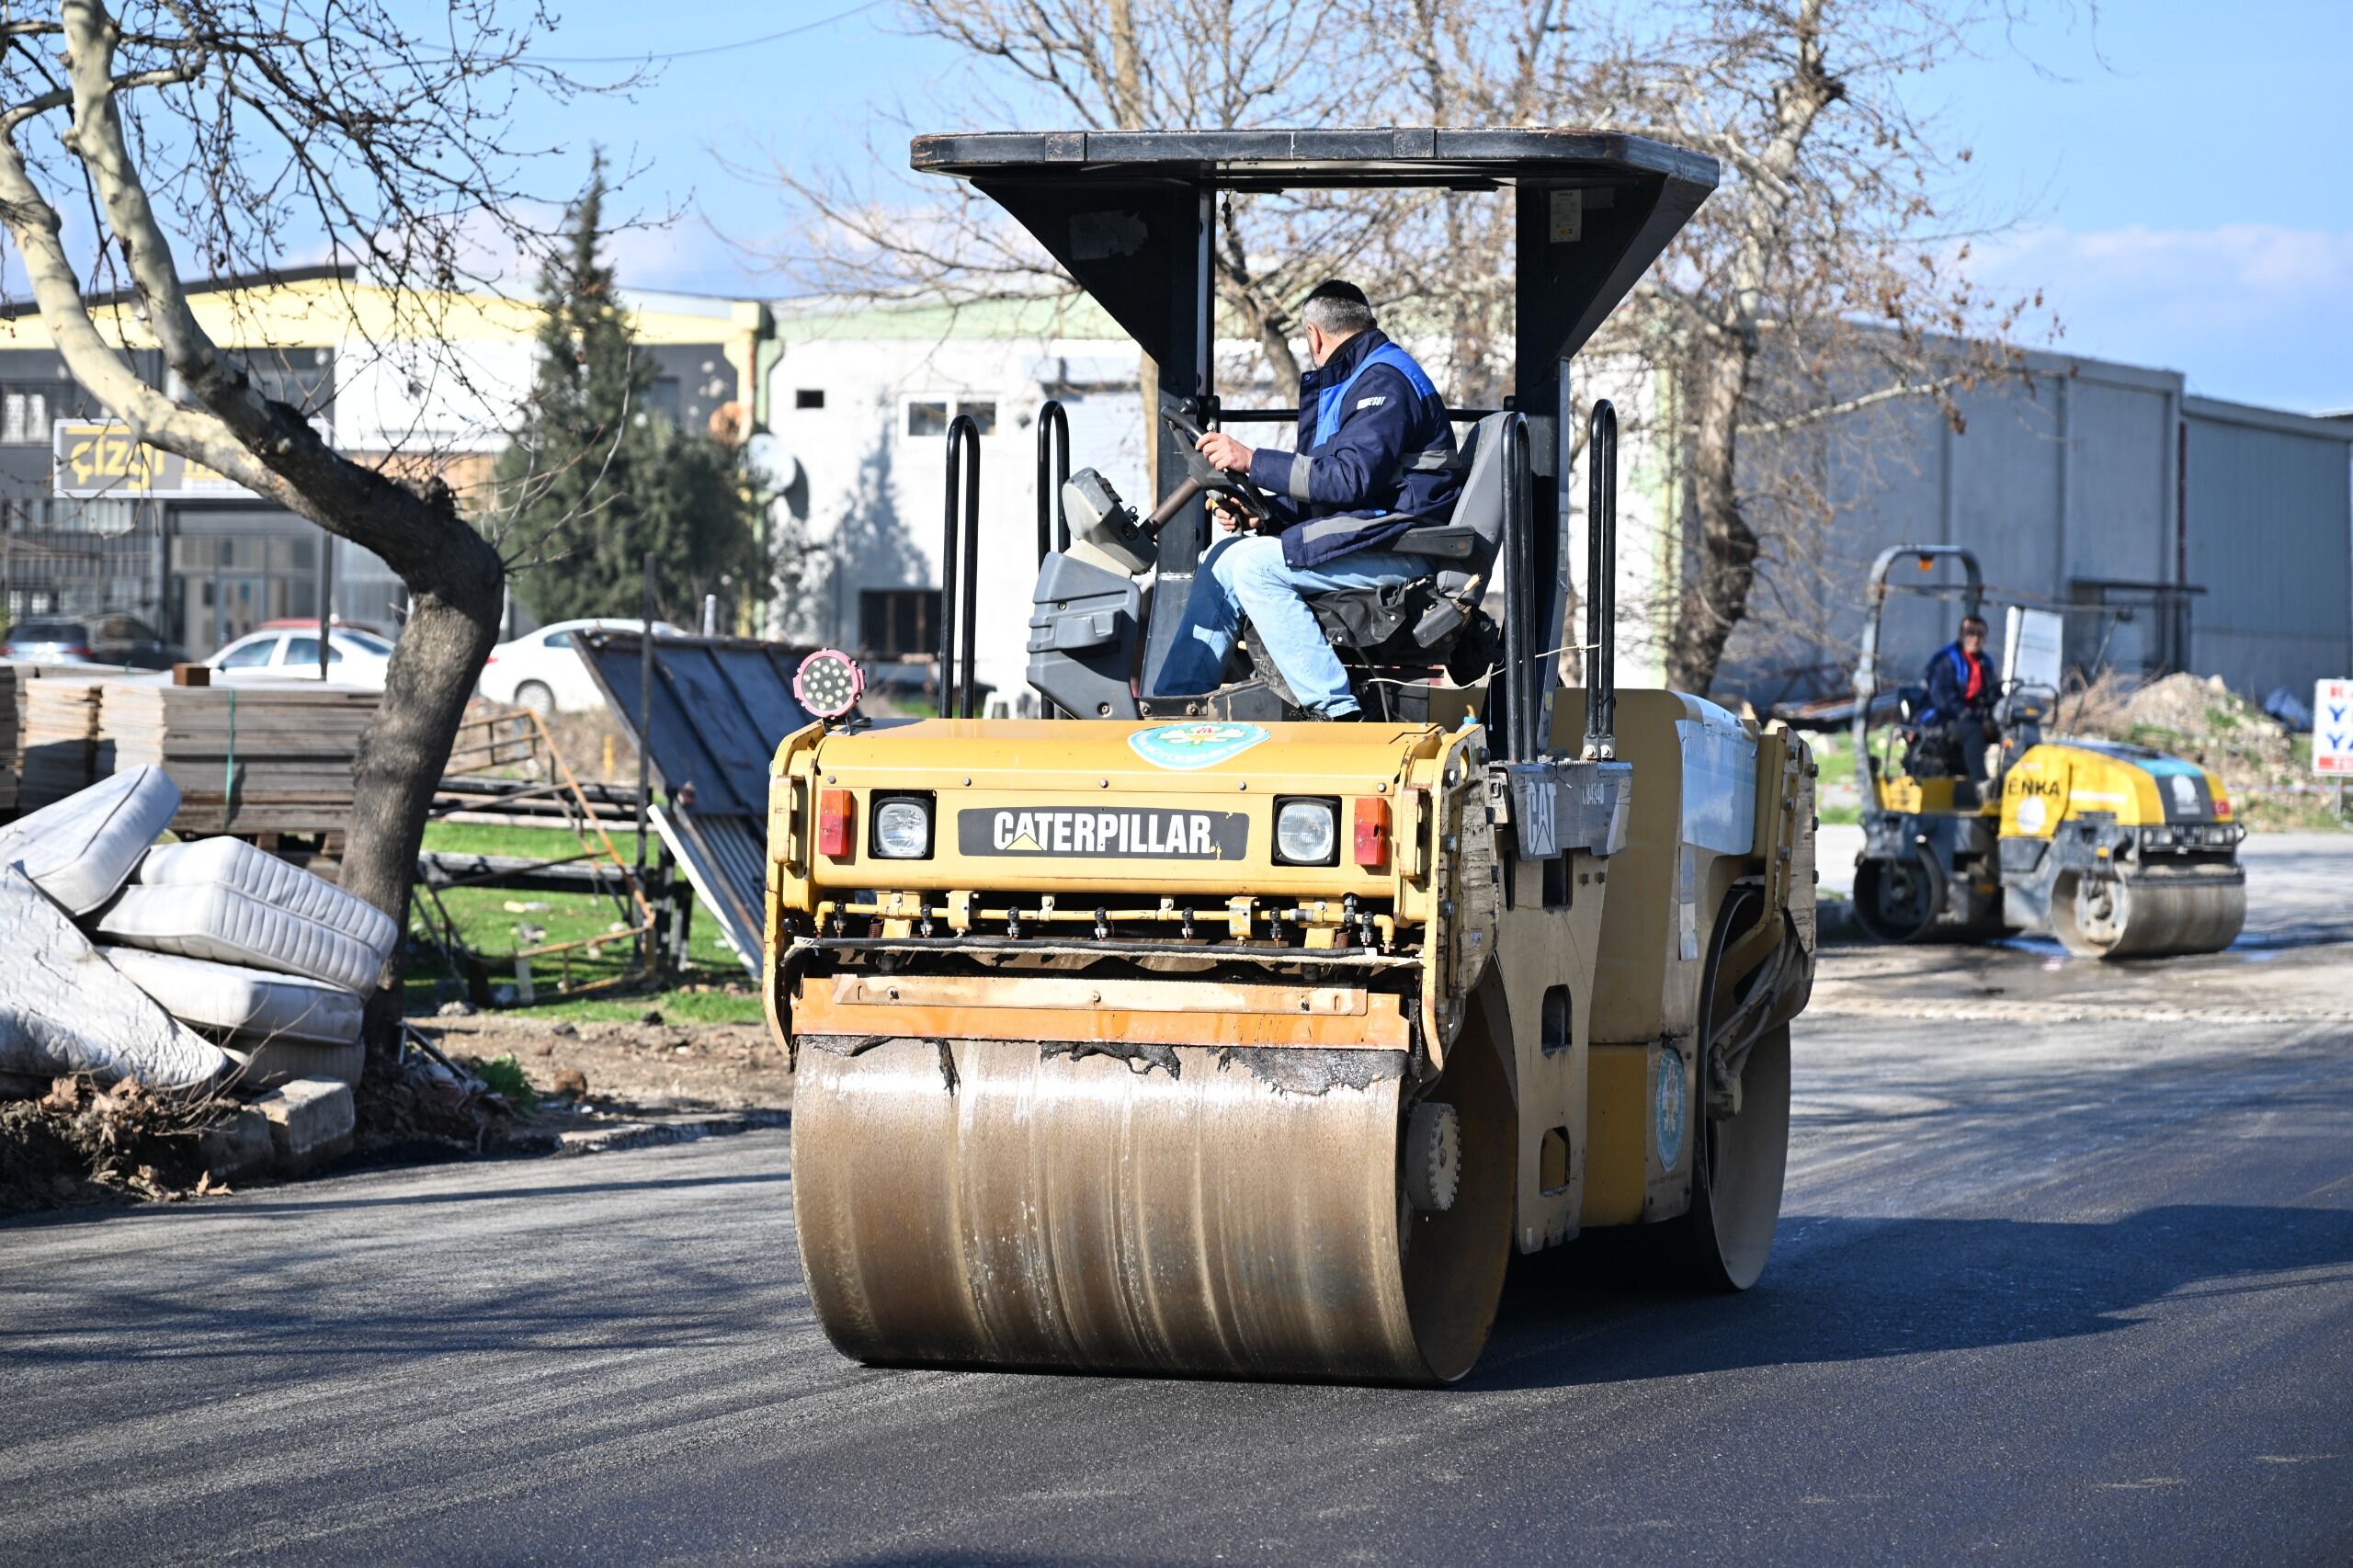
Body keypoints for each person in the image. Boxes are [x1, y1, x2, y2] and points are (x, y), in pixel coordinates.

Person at [1148, 279, 1461, 719]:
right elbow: (1332, 493)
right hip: (1374, 534)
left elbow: (1349, 479)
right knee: (1226, 554)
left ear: (1313, 335)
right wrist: (1266, 515)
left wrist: (1252, 460)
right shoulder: (1357, 381)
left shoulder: (1384, 383)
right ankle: (1172, 707)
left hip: (1404, 545)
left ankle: (1337, 714)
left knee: (1257, 568)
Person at [1920, 613, 1998, 780]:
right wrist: (1977, 720)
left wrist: (1994, 719)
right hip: (1941, 720)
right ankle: (1981, 786)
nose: (1975, 639)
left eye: (1980, 634)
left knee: (2012, 731)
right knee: (1973, 731)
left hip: (1973, 718)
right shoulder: (1946, 660)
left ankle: (2011, 783)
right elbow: (1944, 700)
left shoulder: (1986, 663)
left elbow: (1994, 695)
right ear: (1961, 635)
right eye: (1970, 633)